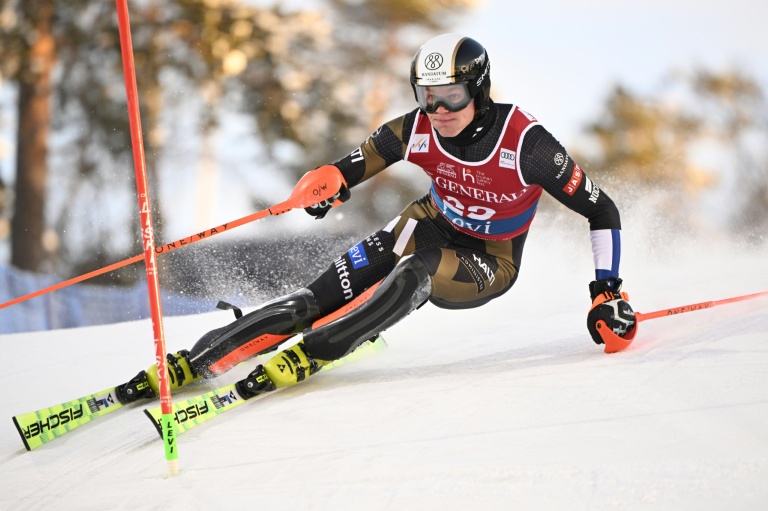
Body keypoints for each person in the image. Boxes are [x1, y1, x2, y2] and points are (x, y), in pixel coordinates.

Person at [116, 33, 636, 403]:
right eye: (427, 97)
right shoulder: (417, 127)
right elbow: (352, 166)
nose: (439, 109)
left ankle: (319, 351)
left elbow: (601, 209)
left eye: (451, 95)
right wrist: (326, 185)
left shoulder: (527, 143)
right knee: (314, 299)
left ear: (479, 89)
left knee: (418, 271)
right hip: (427, 220)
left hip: (488, 259)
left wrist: (607, 292)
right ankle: (197, 359)